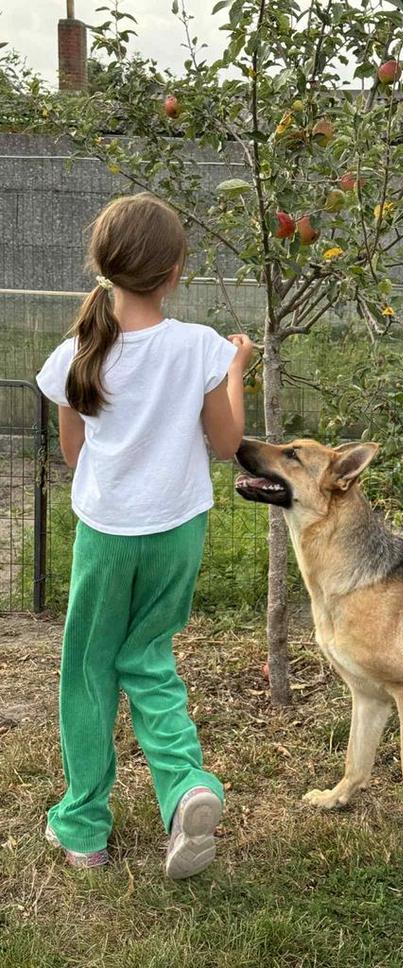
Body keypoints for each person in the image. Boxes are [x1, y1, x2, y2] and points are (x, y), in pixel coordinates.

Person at [36, 192, 254, 879]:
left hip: (107, 535)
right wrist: (236, 371)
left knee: (90, 669)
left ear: (102, 265)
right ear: (174, 273)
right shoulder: (201, 349)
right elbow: (227, 443)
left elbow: (76, 456)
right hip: (177, 535)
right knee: (149, 657)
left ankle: (83, 828)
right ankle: (187, 787)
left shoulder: (76, 354)